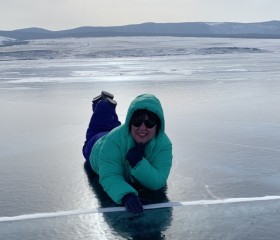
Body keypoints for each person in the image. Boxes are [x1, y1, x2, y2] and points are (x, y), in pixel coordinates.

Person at [82, 91, 173, 214]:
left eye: (150, 123)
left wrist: (139, 163)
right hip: (97, 147)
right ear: (130, 123)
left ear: (158, 125)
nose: (142, 127)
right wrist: (126, 195)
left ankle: (108, 109)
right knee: (97, 129)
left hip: (119, 135)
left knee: (113, 126)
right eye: (137, 121)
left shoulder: (163, 145)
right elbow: (110, 176)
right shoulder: (112, 141)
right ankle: (103, 105)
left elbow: (158, 181)